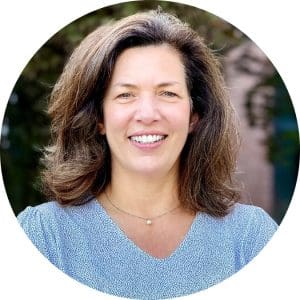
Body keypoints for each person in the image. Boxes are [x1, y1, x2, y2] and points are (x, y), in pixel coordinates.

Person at [17, 9, 278, 299]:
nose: (147, 114)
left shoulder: (251, 239)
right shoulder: (43, 237)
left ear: (194, 115)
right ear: (99, 118)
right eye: (125, 94)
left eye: (168, 93)